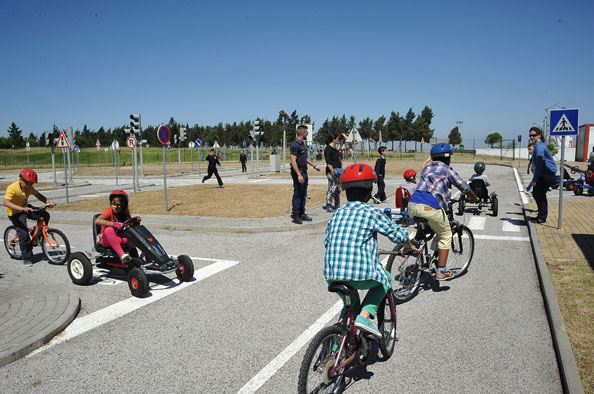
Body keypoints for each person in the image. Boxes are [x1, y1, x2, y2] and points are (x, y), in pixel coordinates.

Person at [324, 163, 417, 336]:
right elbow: (396, 233)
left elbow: (327, 241)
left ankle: (338, 344)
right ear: (369, 191)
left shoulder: (337, 213)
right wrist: (408, 246)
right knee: (385, 280)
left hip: (332, 274)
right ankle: (365, 318)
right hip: (359, 273)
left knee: (350, 305)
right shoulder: (371, 212)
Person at [408, 143, 479, 280]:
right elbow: (463, 186)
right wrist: (474, 198)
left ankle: (414, 246)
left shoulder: (426, 168)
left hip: (413, 204)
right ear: (448, 157)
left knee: (430, 227)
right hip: (430, 206)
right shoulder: (447, 170)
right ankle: (441, 271)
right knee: (446, 233)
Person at [4, 169, 56, 267]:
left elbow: (38, 195)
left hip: (26, 208)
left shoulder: (29, 188)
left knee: (45, 214)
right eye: (28, 183)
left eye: (32, 184)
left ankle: (38, 236)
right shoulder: (12, 188)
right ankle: (26, 258)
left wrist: (48, 202)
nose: (30, 186)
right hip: (15, 212)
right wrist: (21, 209)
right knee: (23, 235)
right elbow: (6, 202)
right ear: (21, 180)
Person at [95, 190, 139, 263]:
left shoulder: (125, 214)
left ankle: (150, 260)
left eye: (118, 205)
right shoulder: (109, 211)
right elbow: (97, 221)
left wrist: (135, 221)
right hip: (106, 240)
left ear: (123, 205)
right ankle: (122, 255)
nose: (115, 207)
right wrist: (114, 224)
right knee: (109, 230)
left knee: (139, 238)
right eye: (113, 204)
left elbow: (129, 226)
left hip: (120, 239)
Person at [290, 124, 321, 224]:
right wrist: (298, 174)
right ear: (303, 133)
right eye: (307, 132)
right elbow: (293, 161)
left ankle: (302, 213)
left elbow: (306, 158)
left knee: (304, 194)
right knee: (298, 193)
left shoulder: (302, 144)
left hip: (304, 171)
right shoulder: (295, 144)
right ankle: (296, 215)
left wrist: (314, 166)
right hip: (299, 172)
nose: (307, 133)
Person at [526, 127, 557, 224]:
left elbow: (539, 163)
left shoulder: (539, 146)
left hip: (545, 174)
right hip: (544, 174)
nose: (532, 137)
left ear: (539, 135)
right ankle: (541, 214)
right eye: (530, 135)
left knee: (539, 194)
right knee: (537, 194)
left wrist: (535, 179)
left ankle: (542, 217)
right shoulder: (538, 145)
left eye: (534, 135)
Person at [323, 133, 342, 212]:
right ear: (333, 139)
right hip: (332, 171)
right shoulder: (328, 149)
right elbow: (328, 162)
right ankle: (328, 204)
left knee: (337, 188)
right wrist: (332, 171)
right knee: (332, 187)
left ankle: (337, 204)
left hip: (338, 170)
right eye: (337, 139)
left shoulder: (335, 149)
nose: (338, 140)